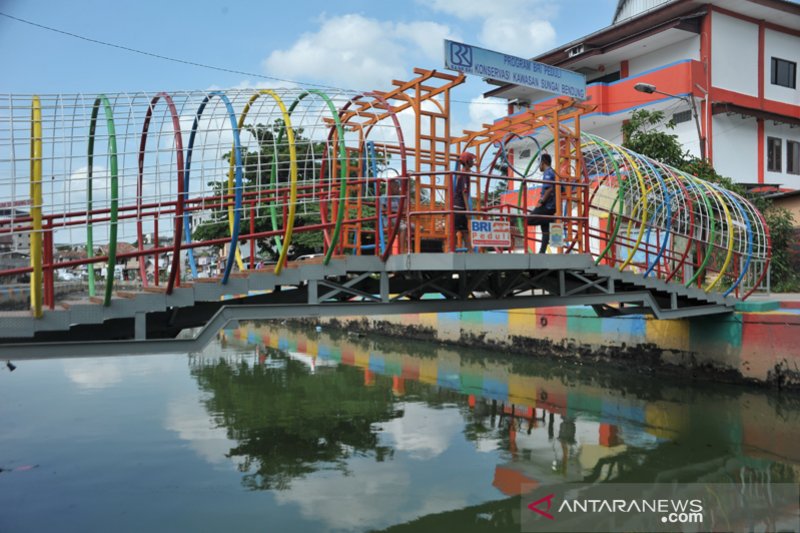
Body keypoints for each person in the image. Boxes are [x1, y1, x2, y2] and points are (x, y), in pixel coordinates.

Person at [527, 153, 558, 253]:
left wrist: (541, 201)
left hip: (547, 205)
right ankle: (542, 252)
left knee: (528, 220)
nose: (538, 166)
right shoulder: (554, 172)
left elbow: (549, 189)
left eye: (539, 163)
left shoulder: (548, 172)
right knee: (545, 230)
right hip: (552, 206)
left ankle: (548, 219)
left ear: (543, 163)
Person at [454, 151, 475, 236]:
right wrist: (467, 210)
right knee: (462, 232)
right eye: (471, 160)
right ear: (467, 162)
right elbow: (464, 193)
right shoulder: (464, 175)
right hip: (460, 207)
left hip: (458, 206)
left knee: (465, 232)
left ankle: (470, 249)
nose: (473, 162)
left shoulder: (463, 173)